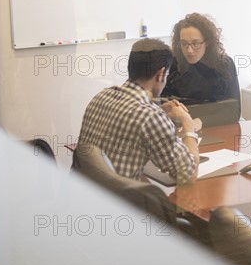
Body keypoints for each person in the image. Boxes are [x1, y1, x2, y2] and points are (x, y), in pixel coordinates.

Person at [77, 38, 202, 184]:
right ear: (161, 74)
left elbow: (128, 120)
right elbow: (189, 175)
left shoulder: (101, 96)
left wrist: (159, 110)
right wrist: (187, 122)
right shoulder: (152, 118)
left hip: (82, 197)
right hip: (119, 204)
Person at [162, 13, 240, 103]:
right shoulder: (173, 64)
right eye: (184, 44)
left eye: (196, 44)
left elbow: (234, 105)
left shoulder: (224, 64)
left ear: (207, 42)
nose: (189, 50)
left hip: (218, 116)